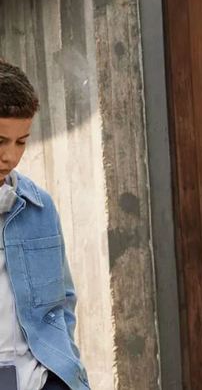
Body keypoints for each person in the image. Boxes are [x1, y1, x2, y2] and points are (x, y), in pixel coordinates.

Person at [0, 59, 89, 390]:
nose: (10, 157)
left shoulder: (40, 207)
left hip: (42, 380)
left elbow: (62, 302)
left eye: (21, 141)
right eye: (0, 141)